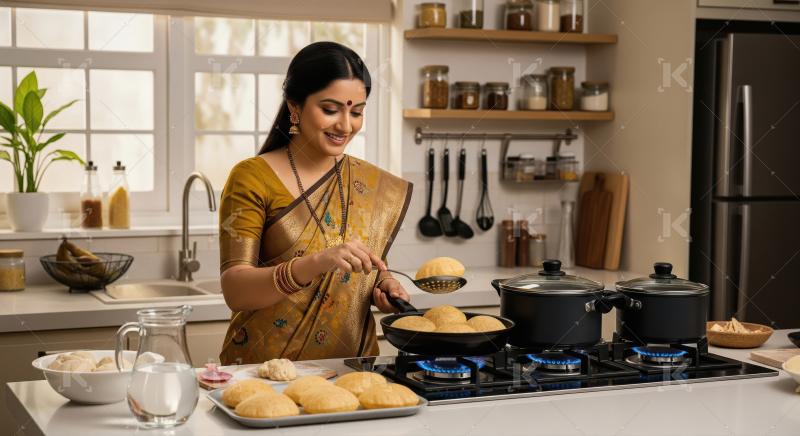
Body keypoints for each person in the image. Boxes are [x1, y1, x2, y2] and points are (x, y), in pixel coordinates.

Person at [217, 42, 412, 365]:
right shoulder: (252, 177)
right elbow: (236, 291)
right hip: (264, 374)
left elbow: (363, 266)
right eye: (331, 109)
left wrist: (384, 284)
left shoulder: (367, 184)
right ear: (295, 107)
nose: (346, 125)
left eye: (357, 112)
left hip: (352, 373)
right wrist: (317, 262)